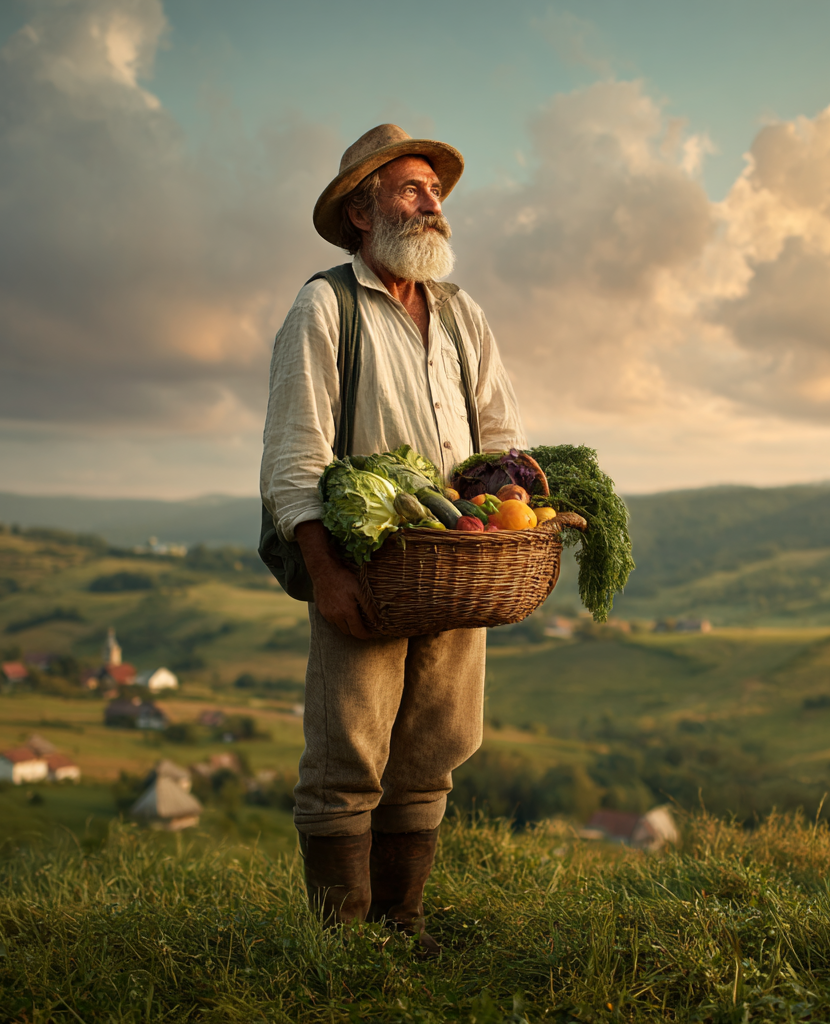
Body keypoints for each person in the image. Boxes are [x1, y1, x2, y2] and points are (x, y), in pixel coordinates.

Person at [260, 124, 526, 952]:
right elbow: (297, 451)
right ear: (361, 211)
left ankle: (401, 927)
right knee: (348, 757)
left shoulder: (459, 312)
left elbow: (501, 432)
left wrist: (508, 517)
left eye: (434, 190)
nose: (433, 203)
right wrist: (326, 571)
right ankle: (339, 944)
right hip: (367, 569)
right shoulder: (325, 306)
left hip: (457, 569)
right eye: (412, 189)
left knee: (431, 754)